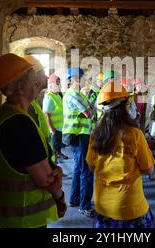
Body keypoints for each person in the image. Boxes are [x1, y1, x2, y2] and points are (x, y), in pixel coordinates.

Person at [0, 53, 66, 228]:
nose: (36, 81)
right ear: (20, 86)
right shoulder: (18, 123)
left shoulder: (17, 114)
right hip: (23, 220)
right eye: (31, 76)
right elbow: (46, 180)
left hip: (15, 219)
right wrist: (60, 197)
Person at [86, 81, 155, 228]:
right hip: (130, 206)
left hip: (103, 206)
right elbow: (148, 169)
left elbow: (91, 167)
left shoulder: (96, 134)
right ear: (124, 106)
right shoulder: (135, 134)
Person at [62, 67, 95, 217]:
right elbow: (89, 113)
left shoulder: (71, 94)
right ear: (75, 79)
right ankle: (85, 206)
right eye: (83, 77)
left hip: (75, 135)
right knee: (86, 171)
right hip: (80, 135)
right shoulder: (75, 95)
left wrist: (89, 107)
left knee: (77, 168)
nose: (85, 80)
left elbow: (87, 112)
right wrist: (91, 107)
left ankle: (74, 199)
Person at [23, 55, 57, 163]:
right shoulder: (28, 106)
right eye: (43, 73)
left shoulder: (32, 103)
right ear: (34, 76)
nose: (47, 77)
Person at [43, 74, 68, 160]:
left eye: (59, 83)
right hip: (54, 128)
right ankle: (54, 163)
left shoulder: (58, 95)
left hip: (60, 127)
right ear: (50, 86)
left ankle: (59, 154)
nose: (60, 85)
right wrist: (52, 129)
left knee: (58, 145)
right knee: (53, 149)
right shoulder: (49, 97)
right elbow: (46, 115)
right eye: (57, 83)